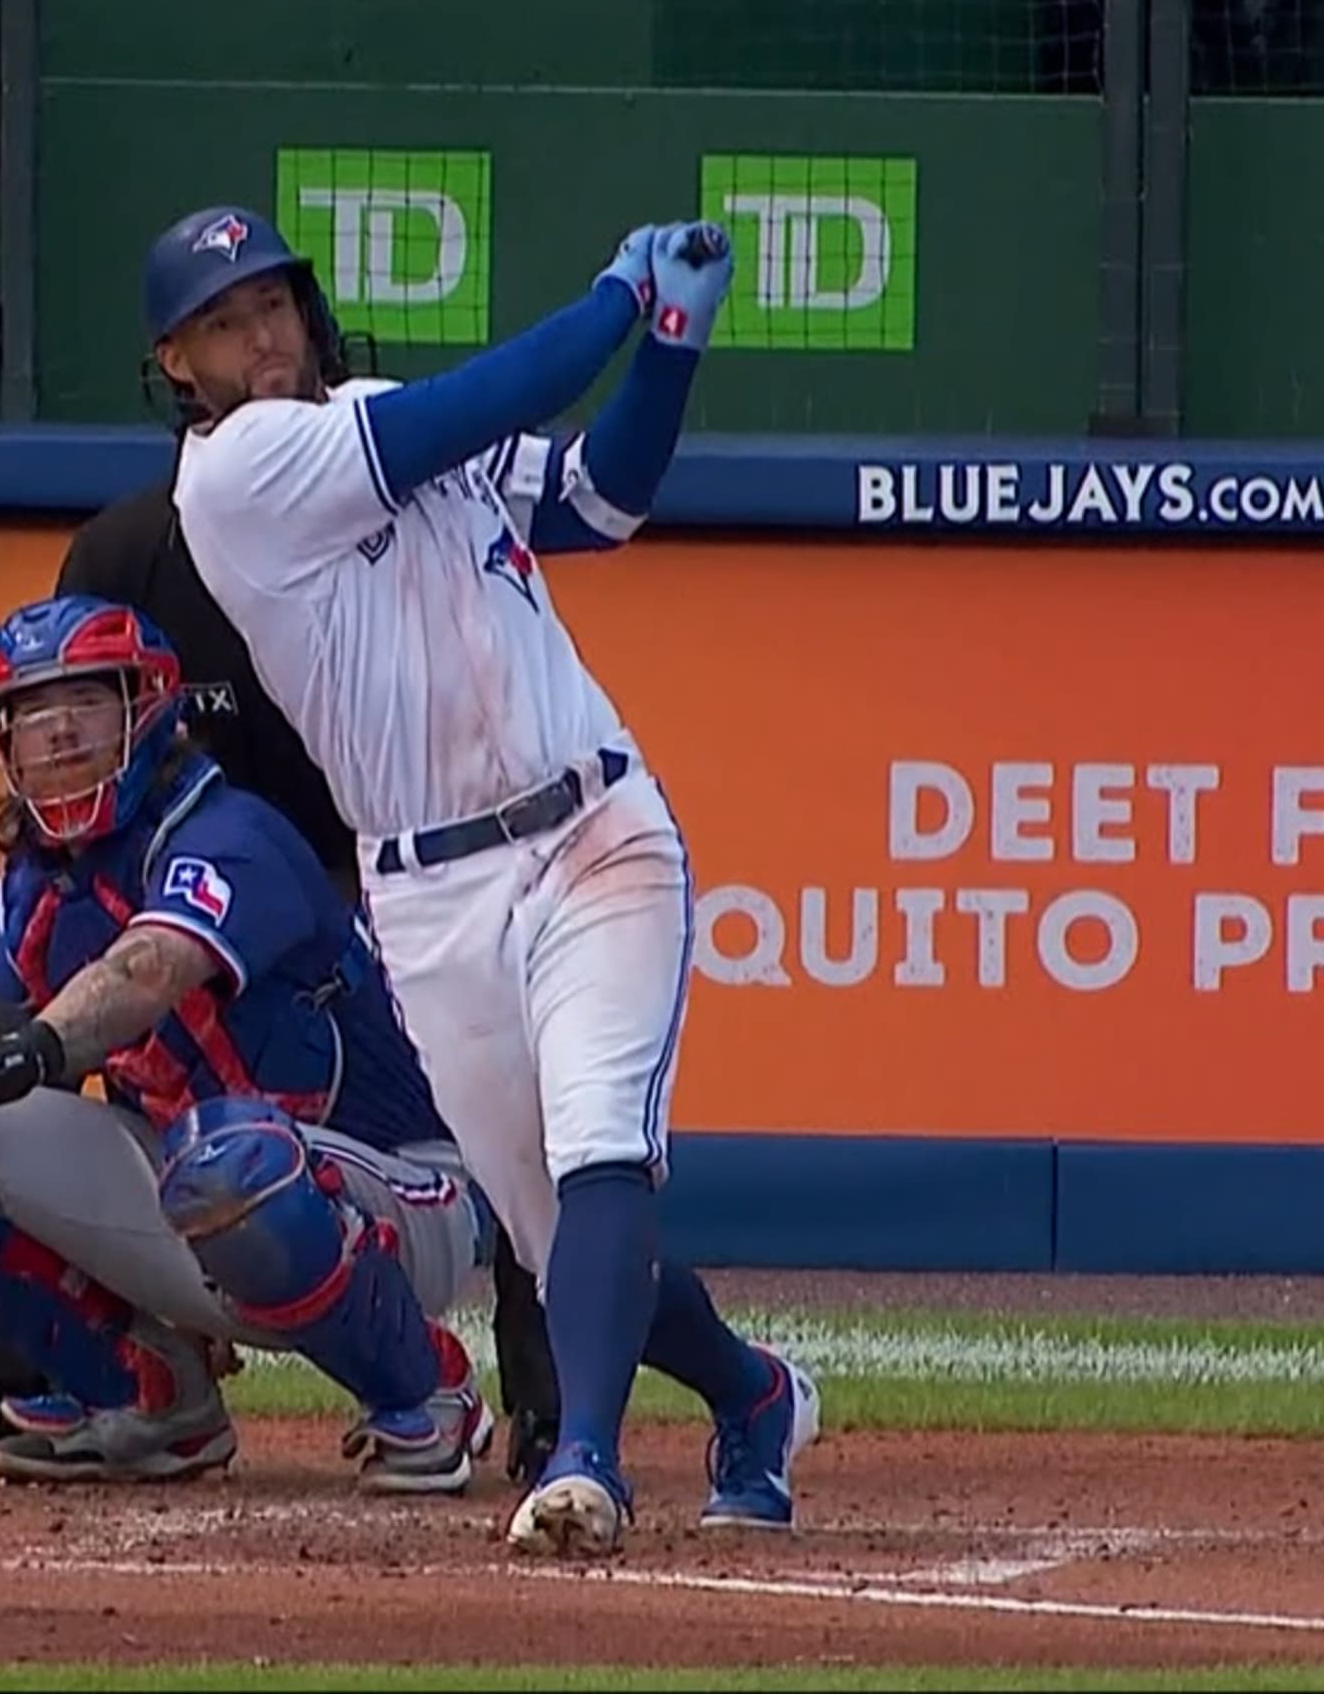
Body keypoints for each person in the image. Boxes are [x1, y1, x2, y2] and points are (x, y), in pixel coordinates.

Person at [144, 204, 820, 1558]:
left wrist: (670, 348)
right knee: (558, 1226)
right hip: (430, 893)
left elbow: (602, 503)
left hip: (592, 829)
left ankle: (585, 1463)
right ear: (179, 363)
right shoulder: (233, 475)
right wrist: (617, 297)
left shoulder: (387, 410)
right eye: (223, 323)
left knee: (600, 1143)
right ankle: (753, 1393)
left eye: (271, 304)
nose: (260, 336)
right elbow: (482, 404)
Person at [0, 592, 494, 1493]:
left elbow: (150, 967)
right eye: (33, 715)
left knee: (228, 1154)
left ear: (149, 713)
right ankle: (149, 1397)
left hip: (400, 1186)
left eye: (86, 705)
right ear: (1, 740)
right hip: (198, 1180)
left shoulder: (229, 833)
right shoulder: (24, 900)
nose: (59, 736)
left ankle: (427, 1394)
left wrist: (27, 1054)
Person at [48, 475, 568, 1489]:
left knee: (507, 1069)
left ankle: (544, 1388)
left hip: (399, 861)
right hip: (181, 858)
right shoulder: (129, 547)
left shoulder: (412, 544)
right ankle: (91, 1375)